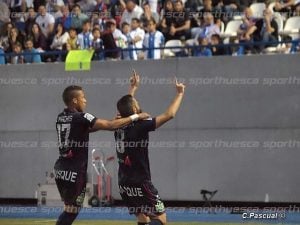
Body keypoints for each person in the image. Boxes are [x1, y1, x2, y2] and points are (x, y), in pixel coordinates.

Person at [54, 81, 150, 225]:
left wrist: (132, 89)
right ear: (75, 100)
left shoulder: (61, 117)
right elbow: (110, 126)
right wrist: (136, 116)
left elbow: (102, 125)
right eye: (83, 97)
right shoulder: (82, 116)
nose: (85, 100)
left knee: (70, 209)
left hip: (61, 169)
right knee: (71, 212)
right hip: (74, 172)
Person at [115, 73, 185, 225]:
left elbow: (126, 106)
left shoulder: (118, 123)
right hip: (140, 181)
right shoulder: (140, 125)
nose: (139, 105)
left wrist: (133, 88)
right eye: (137, 103)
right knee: (160, 218)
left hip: (124, 182)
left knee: (142, 216)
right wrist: (180, 93)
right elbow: (170, 114)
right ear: (134, 108)